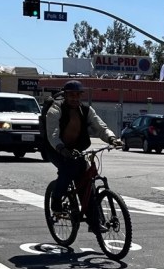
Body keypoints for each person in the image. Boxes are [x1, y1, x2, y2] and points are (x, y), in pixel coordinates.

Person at [44, 81, 122, 218]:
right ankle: (56, 202)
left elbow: (100, 127)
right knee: (68, 169)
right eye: (71, 95)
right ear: (65, 95)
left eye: (77, 95)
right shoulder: (55, 110)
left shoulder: (86, 110)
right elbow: (53, 134)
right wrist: (62, 149)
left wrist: (112, 138)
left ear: (81, 96)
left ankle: (94, 220)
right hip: (55, 148)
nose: (74, 98)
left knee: (85, 177)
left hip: (76, 149)